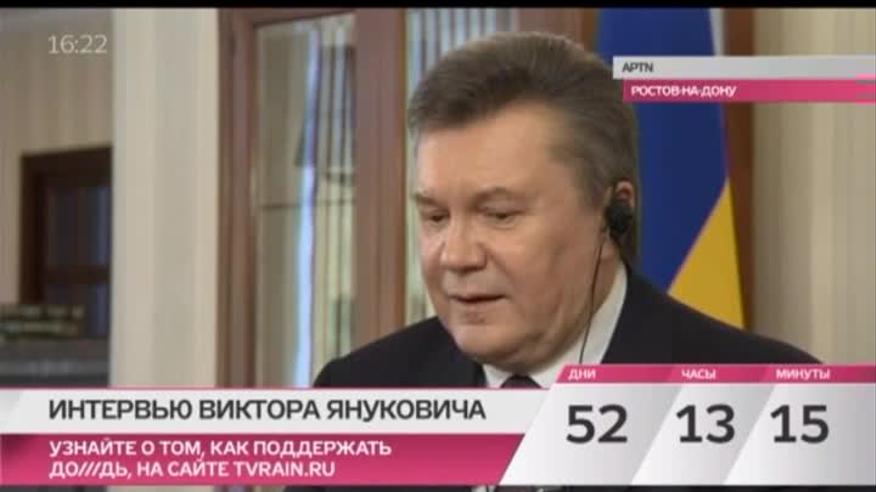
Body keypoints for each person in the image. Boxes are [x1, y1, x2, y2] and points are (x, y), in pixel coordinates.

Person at [291, 32, 821, 492]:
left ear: (613, 216)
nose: (455, 256)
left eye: (499, 215)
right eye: (435, 216)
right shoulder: (355, 396)